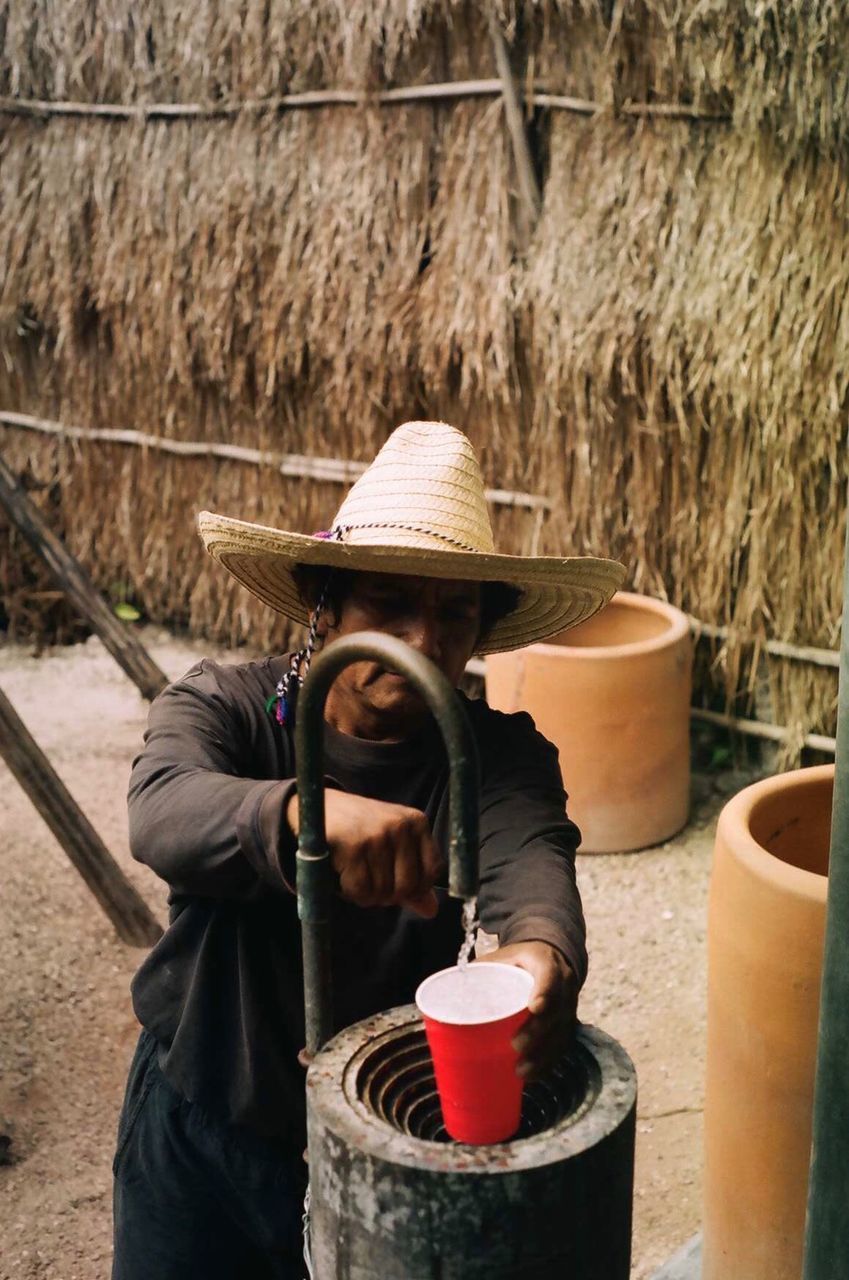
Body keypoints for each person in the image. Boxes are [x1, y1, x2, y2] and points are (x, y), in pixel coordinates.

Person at [111, 420, 624, 1279]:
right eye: (389, 601)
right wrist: (303, 817)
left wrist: (542, 958)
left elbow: (532, 864)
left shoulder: (493, 755)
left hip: (386, 1135)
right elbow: (159, 814)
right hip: (197, 1123)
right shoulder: (231, 710)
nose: (423, 640)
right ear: (327, 603)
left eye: (454, 611)